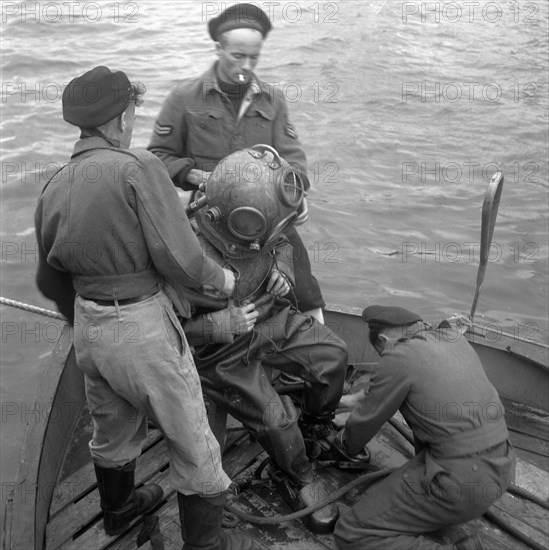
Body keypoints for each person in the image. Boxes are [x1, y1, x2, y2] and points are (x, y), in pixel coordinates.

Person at [34, 65, 255, 549]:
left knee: (111, 428)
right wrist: (225, 283)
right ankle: (205, 544)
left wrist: (92, 323)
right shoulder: (137, 167)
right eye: (133, 110)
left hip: (89, 329)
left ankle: (119, 513)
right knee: (193, 441)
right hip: (142, 330)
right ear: (120, 117)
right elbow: (181, 260)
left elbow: (47, 279)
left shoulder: (55, 184)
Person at [177, 145, 351, 534]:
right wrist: (216, 325)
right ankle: (296, 474)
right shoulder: (185, 257)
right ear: (239, 225)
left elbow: (283, 242)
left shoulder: (264, 227)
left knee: (333, 355)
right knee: (276, 418)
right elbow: (165, 328)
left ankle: (316, 430)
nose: (271, 239)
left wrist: (283, 272)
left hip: (268, 315)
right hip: (220, 352)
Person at [148, 2, 326, 322]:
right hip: (206, 216)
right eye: (237, 56)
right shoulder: (184, 98)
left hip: (266, 218)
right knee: (185, 294)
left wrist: (296, 194)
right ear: (219, 49)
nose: (246, 65)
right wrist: (196, 176)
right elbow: (157, 158)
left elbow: (295, 161)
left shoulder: (273, 99)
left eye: (254, 57)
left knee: (307, 292)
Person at [331, 305, 516, 550]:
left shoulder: (398, 356)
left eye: (381, 353)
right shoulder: (453, 340)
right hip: (503, 466)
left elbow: (356, 438)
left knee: (352, 532)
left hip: (459, 483)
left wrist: (341, 440)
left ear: (385, 340)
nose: (383, 359)